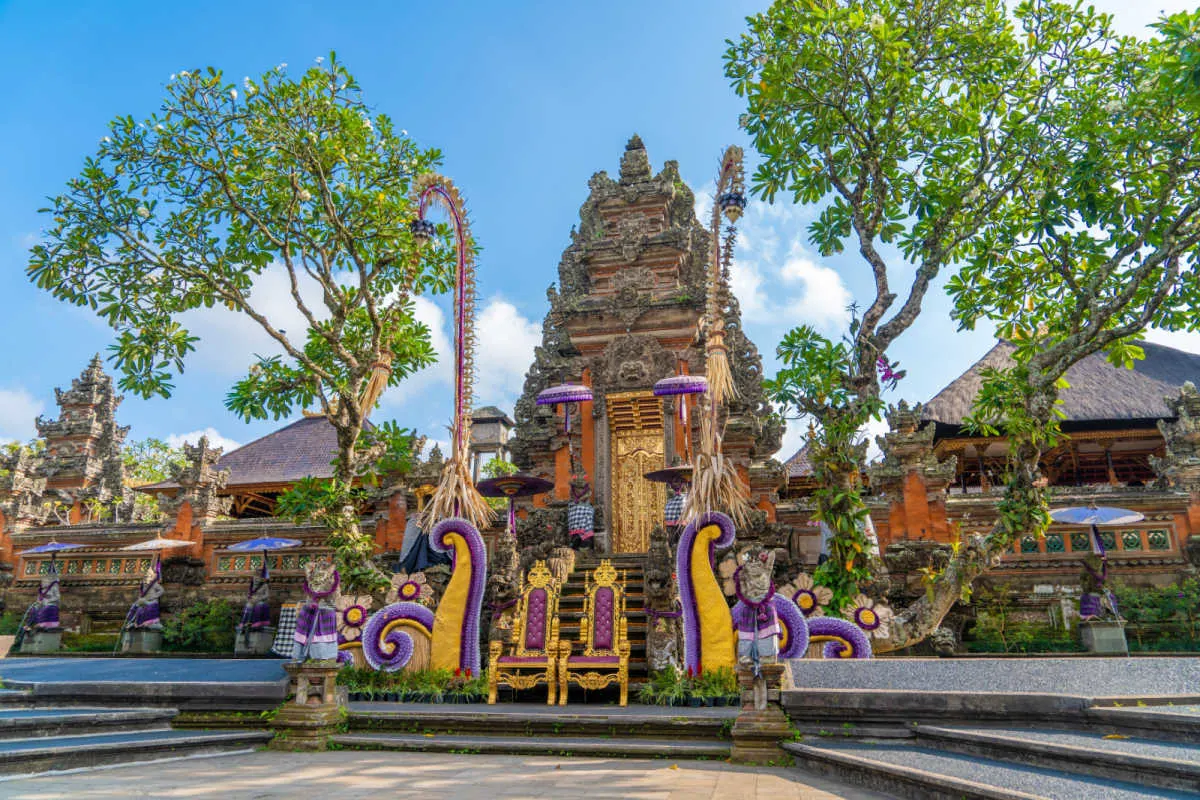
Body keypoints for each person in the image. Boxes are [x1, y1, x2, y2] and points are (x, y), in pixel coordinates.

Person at [293, 557, 339, 661]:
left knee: (321, 635)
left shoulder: (332, 579)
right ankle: (306, 655)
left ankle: (321, 656)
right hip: (312, 610)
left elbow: (334, 597)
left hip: (325, 609)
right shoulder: (311, 576)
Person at [14, 557, 61, 649]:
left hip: (51, 606)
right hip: (42, 605)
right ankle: (28, 627)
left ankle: (41, 625)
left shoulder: (54, 587)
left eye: (46, 581)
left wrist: (48, 598)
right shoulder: (41, 590)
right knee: (34, 609)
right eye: (43, 581)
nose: (44, 582)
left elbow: (57, 598)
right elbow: (39, 599)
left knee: (45, 609)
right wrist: (39, 601)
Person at [239, 556, 271, 645]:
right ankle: (245, 624)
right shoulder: (252, 586)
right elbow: (249, 594)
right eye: (255, 577)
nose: (256, 579)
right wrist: (250, 598)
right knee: (247, 607)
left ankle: (257, 624)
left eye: (258, 577)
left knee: (259, 606)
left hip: (261, 601)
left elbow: (267, 595)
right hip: (253, 600)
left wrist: (258, 599)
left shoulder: (264, 585)